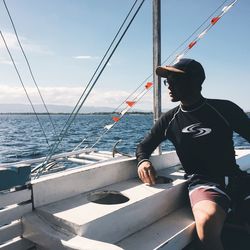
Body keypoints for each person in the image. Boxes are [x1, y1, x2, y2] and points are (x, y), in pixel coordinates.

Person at [136, 58, 250, 250]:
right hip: (204, 183)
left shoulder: (224, 109)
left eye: (174, 80)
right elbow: (144, 146)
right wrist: (143, 161)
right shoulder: (170, 119)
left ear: (194, 82)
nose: (169, 85)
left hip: (237, 178)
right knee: (207, 223)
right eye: (167, 81)